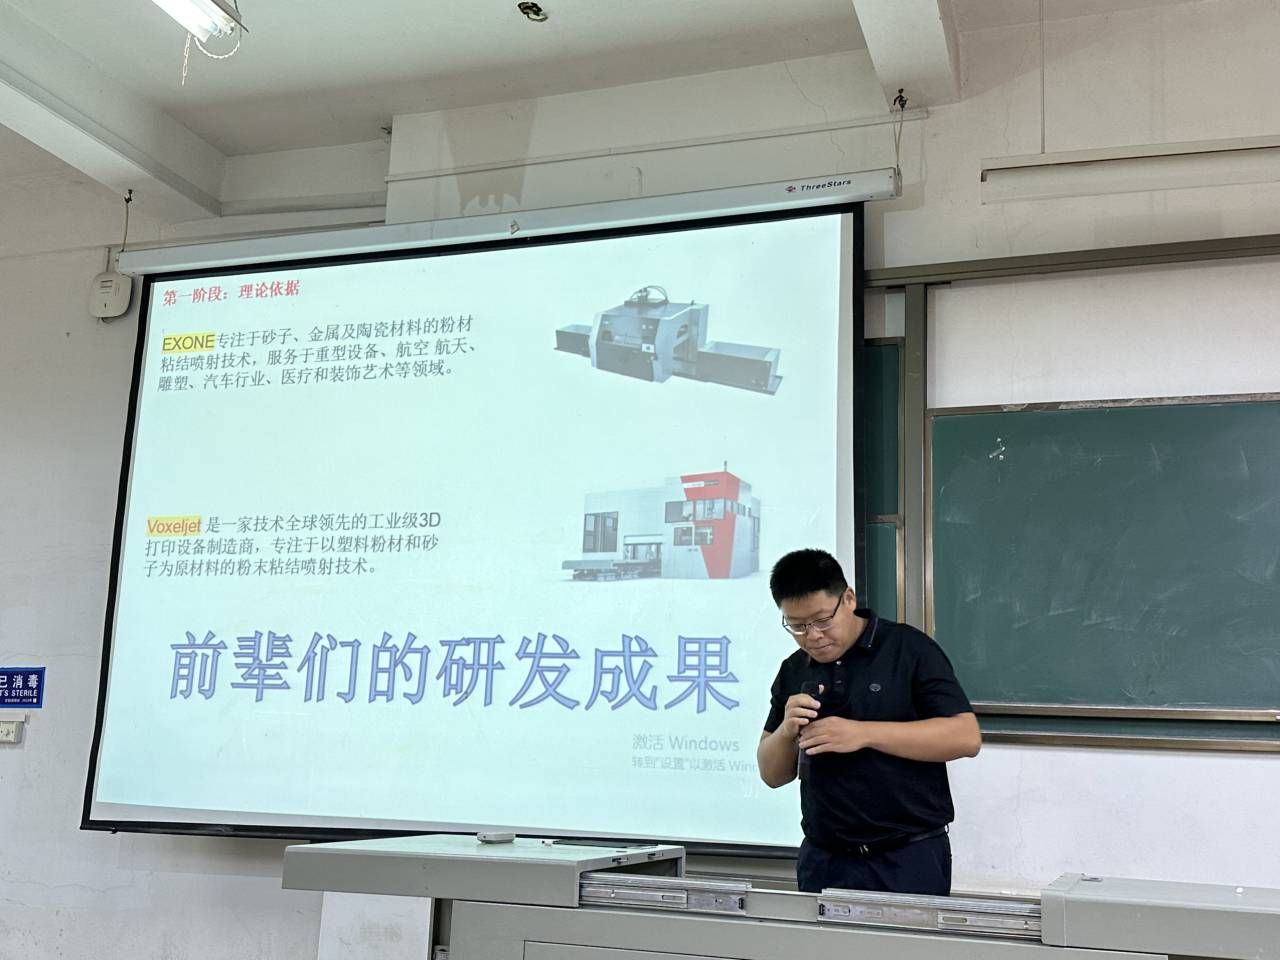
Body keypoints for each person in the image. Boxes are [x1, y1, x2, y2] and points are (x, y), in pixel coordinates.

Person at [757, 548, 980, 896]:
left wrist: (863, 734)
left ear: (848, 599)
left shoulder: (908, 650)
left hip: (906, 857)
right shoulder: (794, 668)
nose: (812, 635)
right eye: (797, 626)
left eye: (822, 620)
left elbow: (965, 737)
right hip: (824, 859)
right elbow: (772, 775)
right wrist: (786, 731)